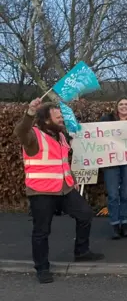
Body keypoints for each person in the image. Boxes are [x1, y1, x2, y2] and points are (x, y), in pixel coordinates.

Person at [14, 98, 104, 283]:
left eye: (61, 116)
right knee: (41, 231)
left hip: (65, 188)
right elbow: (20, 130)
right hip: (41, 191)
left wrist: (72, 180)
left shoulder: (61, 136)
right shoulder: (33, 136)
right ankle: (42, 268)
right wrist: (30, 111)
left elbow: (62, 162)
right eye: (58, 116)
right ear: (47, 120)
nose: (62, 119)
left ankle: (81, 251)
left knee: (85, 214)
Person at [100, 97, 127, 239]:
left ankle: (125, 222)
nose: (124, 106)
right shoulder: (107, 120)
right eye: (121, 104)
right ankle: (115, 224)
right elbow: (98, 135)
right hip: (111, 161)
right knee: (113, 194)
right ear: (117, 107)